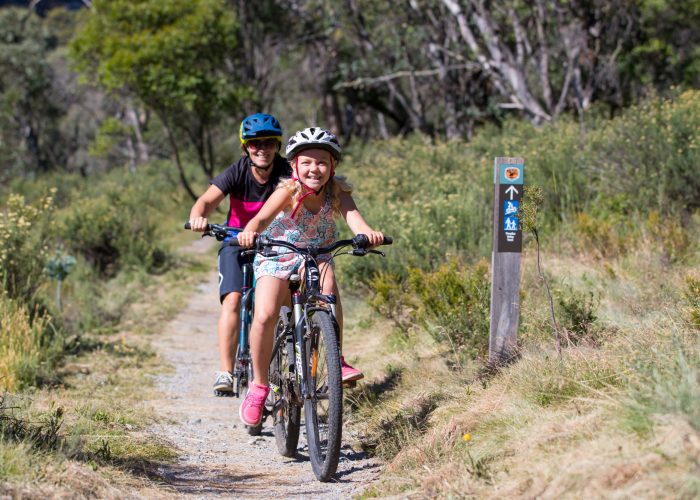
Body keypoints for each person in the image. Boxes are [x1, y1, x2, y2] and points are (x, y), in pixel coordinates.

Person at [236, 127, 384, 427]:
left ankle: (336, 359)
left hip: (317, 254)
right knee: (264, 315)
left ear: (333, 166)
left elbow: (355, 220)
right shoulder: (287, 191)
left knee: (329, 291)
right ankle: (260, 386)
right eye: (307, 162)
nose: (314, 169)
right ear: (294, 166)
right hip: (277, 253)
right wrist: (251, 230)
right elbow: (262, 218)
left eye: (322, 162)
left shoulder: (338, 193)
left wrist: (367, 234)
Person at [188, 113, 291, 395]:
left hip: (274, 244)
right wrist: (198, 217)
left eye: (269, 142)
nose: (262, 148)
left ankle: (287, 361)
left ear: (277, 145)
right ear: (245, 146)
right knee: (233, 301)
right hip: (235, 241)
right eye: (255, 143)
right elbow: (206, 201)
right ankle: (225, 371)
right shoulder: (237, 171)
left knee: (277, 304)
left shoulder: (287, 172)